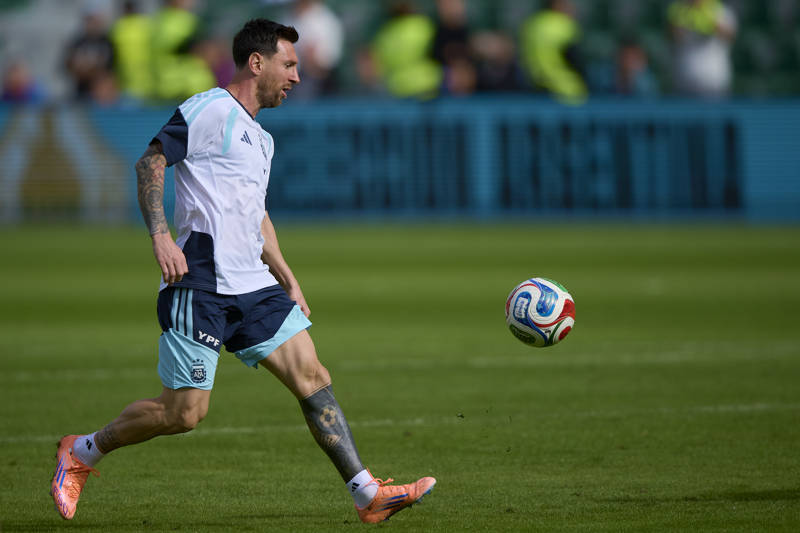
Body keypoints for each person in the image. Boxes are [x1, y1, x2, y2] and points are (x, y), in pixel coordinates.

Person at [49, 18, 436, 524]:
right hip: (200, 284)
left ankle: (367, 495)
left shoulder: (262, 138)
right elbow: (150, 163)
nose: (296, 77)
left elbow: (256, 216)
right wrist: (160, 236)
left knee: (312, 375)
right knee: (184, 414)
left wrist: (287, 276)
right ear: (257, 63)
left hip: (254, 286)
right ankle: (82, 450)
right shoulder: (210, 109)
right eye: (288, 65)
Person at [519, 0, 587, 104]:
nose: (573, 8)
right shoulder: (564, 25)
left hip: (535, 86)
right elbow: (574, 58)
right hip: (566, 90)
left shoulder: (532, 24)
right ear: (557, 5)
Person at [668, 0, 737, 98]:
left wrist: (713, 24)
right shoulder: (679, 11)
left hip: (714, 82)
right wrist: (688, 22)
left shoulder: (721, 11)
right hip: (684, 81)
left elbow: (730, 37)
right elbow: (673, 37)